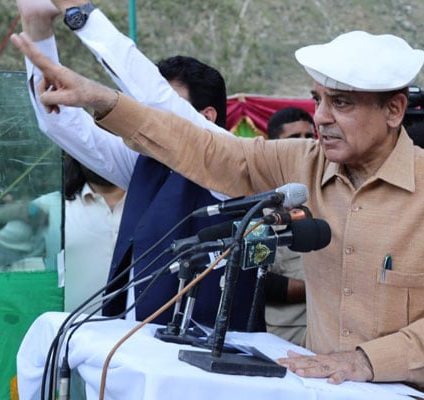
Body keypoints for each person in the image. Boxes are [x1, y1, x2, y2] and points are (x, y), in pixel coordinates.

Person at [13, 28, 424, 399]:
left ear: (395, 110)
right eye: (318, 100)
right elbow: (207, 150)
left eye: (342, 103)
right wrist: (107, 103)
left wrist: (364, 362)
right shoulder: (304, 161)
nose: (321, 117)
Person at [17, 0, 260, 329]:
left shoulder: (234, 160)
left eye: (155, 113)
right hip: (131, 349)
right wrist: (37, 29)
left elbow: (155, 98)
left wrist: (80, 14)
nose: (144, 121)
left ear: (206, 119)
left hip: (203, 361)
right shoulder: (147, 164)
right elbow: (65, 127)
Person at [263, 107, 315, 344]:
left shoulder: (331, 193)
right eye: (294, 139)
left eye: (310, 137)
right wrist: (327, 289)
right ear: (273, 145)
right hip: (286, 335)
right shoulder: (259, 205)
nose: (305, 145)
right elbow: (259, 282)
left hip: (332, 330)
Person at [62, 154, 125, 312]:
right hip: (72, 333)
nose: (99, 153)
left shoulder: (157, 207)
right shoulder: (53, 208)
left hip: (141, 333)